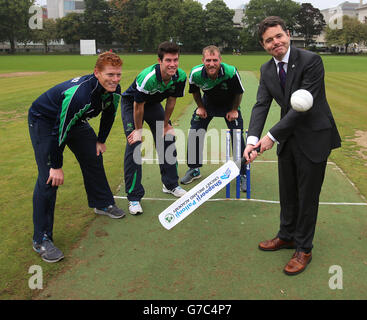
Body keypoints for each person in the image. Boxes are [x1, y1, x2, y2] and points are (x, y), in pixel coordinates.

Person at [243, 16, 341, 275]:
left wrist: (270, 137)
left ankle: (303, 248)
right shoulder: (266, 70)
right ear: (263, 45)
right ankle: (286, 236)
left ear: (288, 34)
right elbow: (261, 104)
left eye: (278, 36)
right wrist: (252, 139)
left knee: (307, 196)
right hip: (289, 139)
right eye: (268, 40)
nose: (275, 42)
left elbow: (302, 110)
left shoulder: (311, 61)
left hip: (314, 137)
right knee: (287, 192)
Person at [28, 52, 126, 263]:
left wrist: (100, 140)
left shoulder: (113, 90)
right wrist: (55, 165)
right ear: (96, 73)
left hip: (75, 120)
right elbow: (59, 131)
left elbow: (109, 114)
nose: (115, 79)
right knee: (49, 178)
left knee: (94, 156)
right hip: (45, 120)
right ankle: (41, 239)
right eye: (110, 74)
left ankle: (102, 203)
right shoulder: (80, 96)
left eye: (118, 74)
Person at [121, 41, 187, 215]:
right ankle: (134, 198)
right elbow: (138, 106)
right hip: (133, 105)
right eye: (168, 60)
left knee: (167, 138)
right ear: (160, 61)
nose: (173, 64)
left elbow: (171, 102)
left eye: (176, 60)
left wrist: (165, 125)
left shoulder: (180, 76)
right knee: (134, 145)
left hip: (153, 104)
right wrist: (138, 131)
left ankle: (170, 184)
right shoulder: (148, 77)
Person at [180, 45, 247, 190]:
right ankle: (194, 169)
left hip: (229, 104)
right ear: (203, 60)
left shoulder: (230, 72)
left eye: (215, 60)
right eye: (208, 60)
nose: (211, 64)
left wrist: (234, 109)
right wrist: (201, 107)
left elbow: (238, 92)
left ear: (220, 60)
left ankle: (242, 173)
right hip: (208, 102)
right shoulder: (195, 73)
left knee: (237, 135)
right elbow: (195, 91)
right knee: (196, 129)